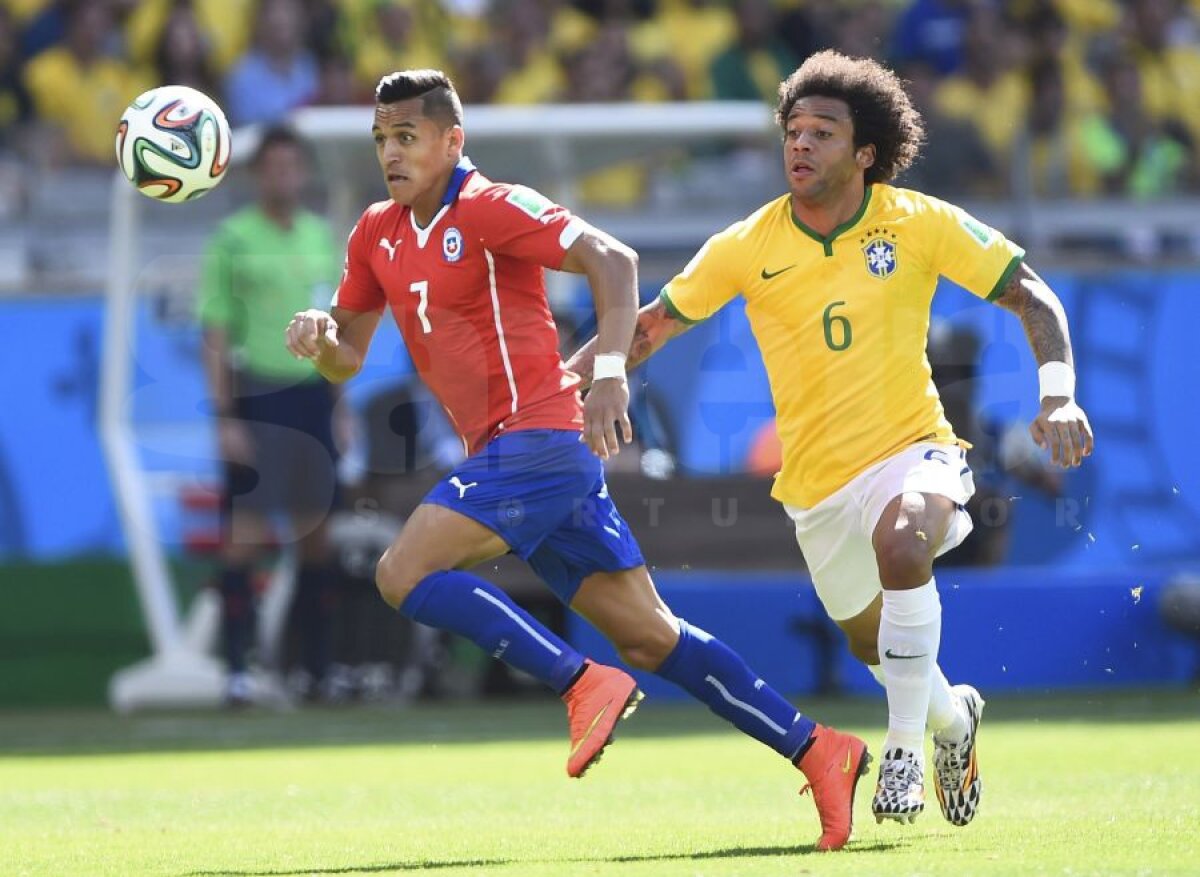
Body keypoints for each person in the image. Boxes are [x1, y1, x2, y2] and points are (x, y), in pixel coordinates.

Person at [285, 68, 869, 852]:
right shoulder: (375, 233)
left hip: (540, 441)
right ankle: (819, 748)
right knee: (651, 636)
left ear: (452, 140)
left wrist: (606, 372)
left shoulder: (490, 205)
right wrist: (320, 340)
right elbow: (346, 357)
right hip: (513, 454)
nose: (391, 153)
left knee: (402, 572)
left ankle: (578, 679)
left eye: (407, 137)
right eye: (382, 139)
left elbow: (616, 260)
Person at [568, 50, 1095, 828]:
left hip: (916, 447)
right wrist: (570, 378)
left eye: (822, 131)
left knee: (906, 540)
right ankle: (956, 721)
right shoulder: (747, 243)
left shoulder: (916, 222)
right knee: (872, 646)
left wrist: (1060, 395)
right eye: (793, 129)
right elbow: (650, 326)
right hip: (815, 487)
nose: (801, 144)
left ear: (866, 152)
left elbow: (1032, 294)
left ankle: (905, 755)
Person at [197, 125, 344, 705]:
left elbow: (336, 330)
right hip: (258, 397)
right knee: (245, 539)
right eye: (273, 166)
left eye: (292, 166)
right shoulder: (232, 239)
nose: (284, 175)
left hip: (313, 397)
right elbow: (215, 333)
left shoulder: (318, 236)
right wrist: (224, 417)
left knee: (318, 539)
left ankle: (315, 670)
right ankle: (238, 670)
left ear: (302, 172)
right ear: (259, 174)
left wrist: (340, 405)